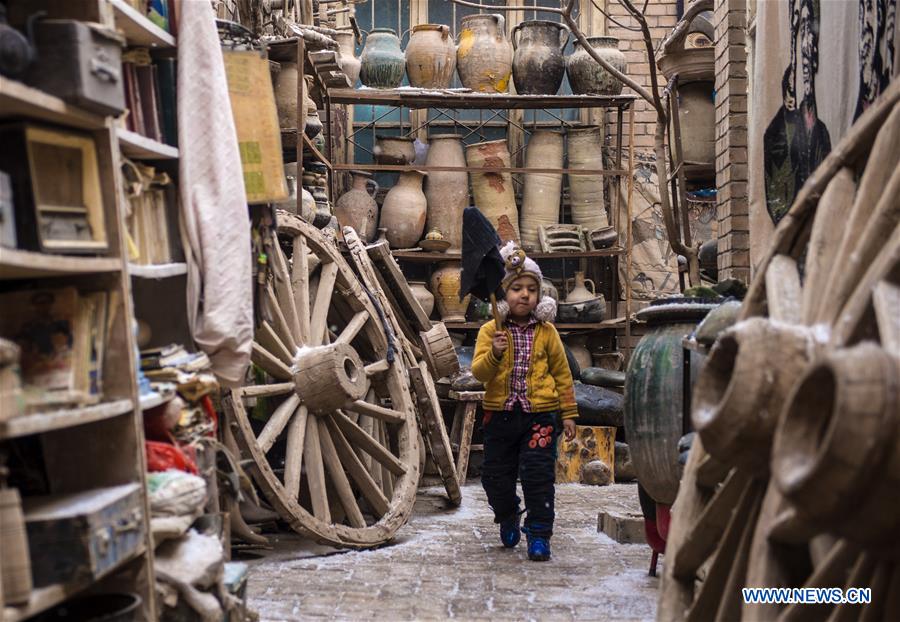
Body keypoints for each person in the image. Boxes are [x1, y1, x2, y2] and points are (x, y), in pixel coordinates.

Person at [471, 242, 577, 561]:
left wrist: (569, 413)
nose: (525, 295)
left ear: (540, 297)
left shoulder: (547, 333)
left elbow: (562, 374)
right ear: (503, 294)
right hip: (499, 418)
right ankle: (507, 515)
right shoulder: (492, 331)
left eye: (532, 289)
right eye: (516, 288)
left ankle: (540, 533)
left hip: (540, 418)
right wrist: (496, 353)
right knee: (494, 477)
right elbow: (479, 373)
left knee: (538, 477)